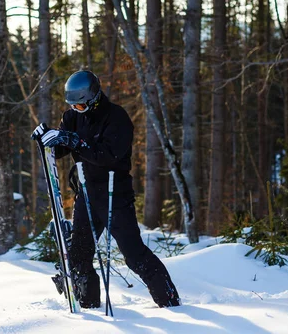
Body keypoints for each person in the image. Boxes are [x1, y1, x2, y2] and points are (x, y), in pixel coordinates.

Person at [33, 70, 180, 308]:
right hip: (86, 193)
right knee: (79, 255)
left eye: (80, 106)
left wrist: (77, 142)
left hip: (115, 195)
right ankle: (88, 305)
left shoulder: (117, 118)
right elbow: (60, 150)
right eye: (73, 106)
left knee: (133, 254)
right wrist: (47, 139)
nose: (76, 110)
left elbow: (107, 155)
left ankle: (169, 300)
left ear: (93, 99)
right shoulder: (72, 117)